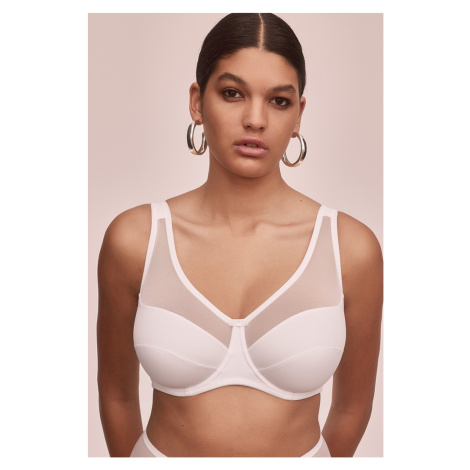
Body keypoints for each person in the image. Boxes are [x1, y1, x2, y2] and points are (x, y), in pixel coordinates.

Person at [96, 13, 383, 458]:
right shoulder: (134, 240)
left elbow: (351, 409)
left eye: (279, 101)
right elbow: (116, 396)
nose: (255, 119)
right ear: (197, 102)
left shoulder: (351, 249)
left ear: (299, 114)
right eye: (232, 93)